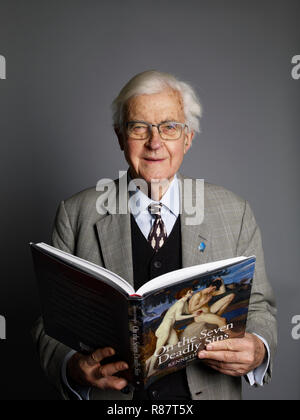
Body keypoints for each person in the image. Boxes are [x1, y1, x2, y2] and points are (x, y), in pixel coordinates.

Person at [31, 70, 277, 400]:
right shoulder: (75, 214)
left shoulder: (235, 212)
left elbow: (259, 308)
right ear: (120, 136)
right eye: (139, 127)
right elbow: (49, 326)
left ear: (188, 138)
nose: (154, 142)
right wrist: (72, 365)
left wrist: (258, 348)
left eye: (169, 127)